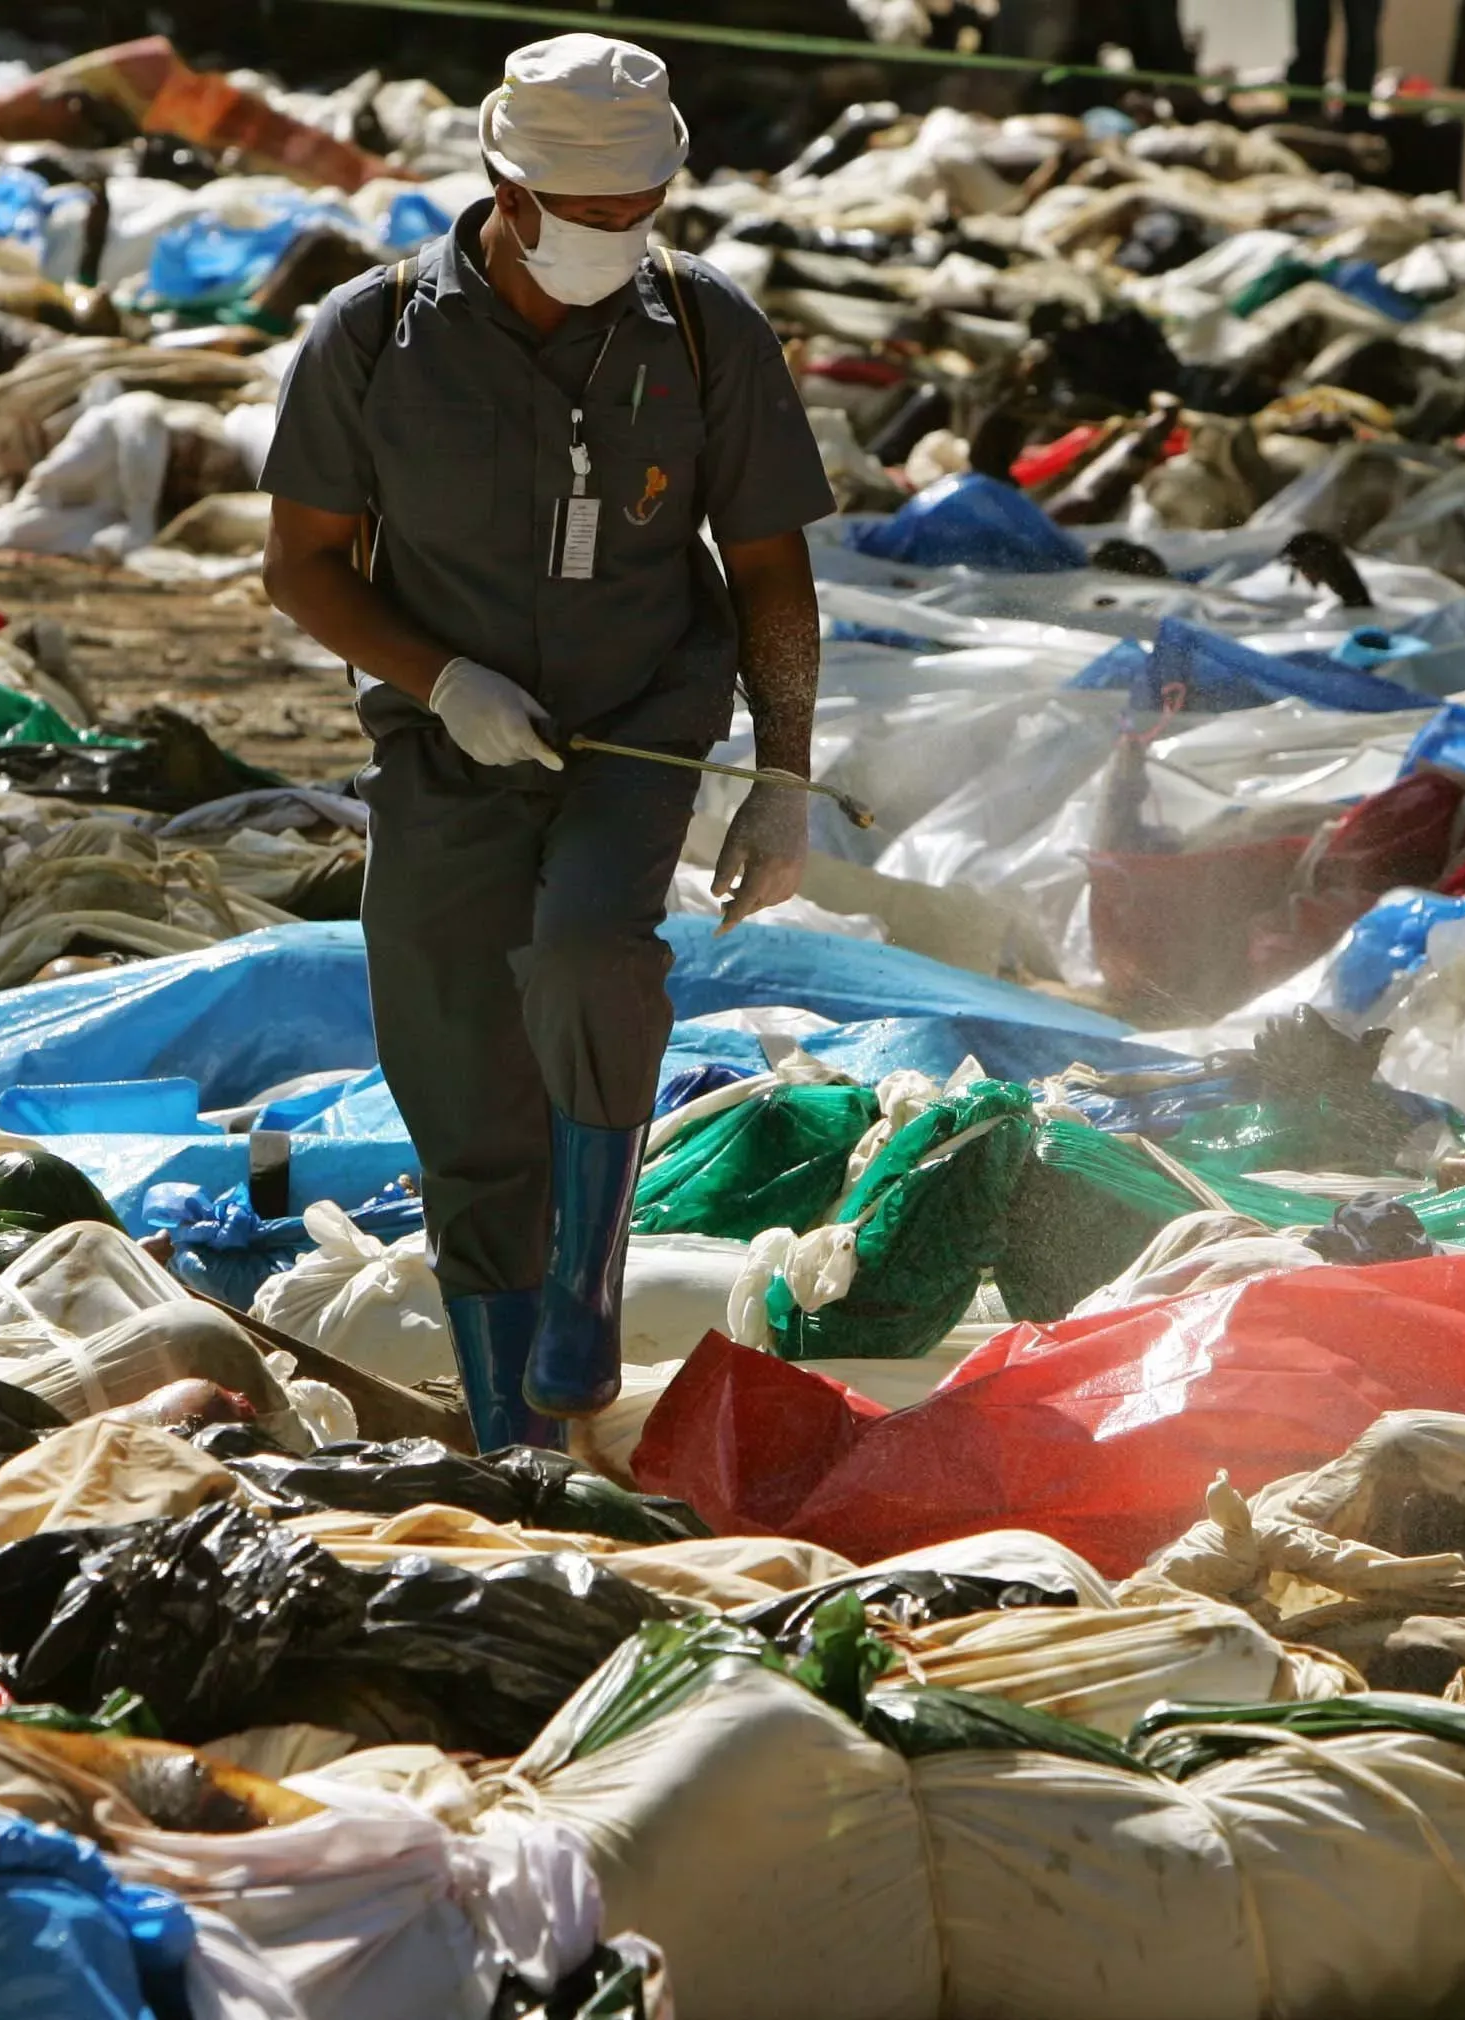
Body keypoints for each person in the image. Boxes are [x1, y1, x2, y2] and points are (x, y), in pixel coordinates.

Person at [260, 34, 834, 1451]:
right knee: (453, 1064)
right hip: (443, 744)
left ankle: (586, 1288)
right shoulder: (374, 337)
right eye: (589, 216)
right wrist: (444, 678)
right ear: (505, 191)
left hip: (639, 723)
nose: (618, 240)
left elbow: (770, 569)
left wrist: (782, 774)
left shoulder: (700, 328)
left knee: (588, 955)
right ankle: (515, 1430)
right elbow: (304, 565)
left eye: (641, 213)